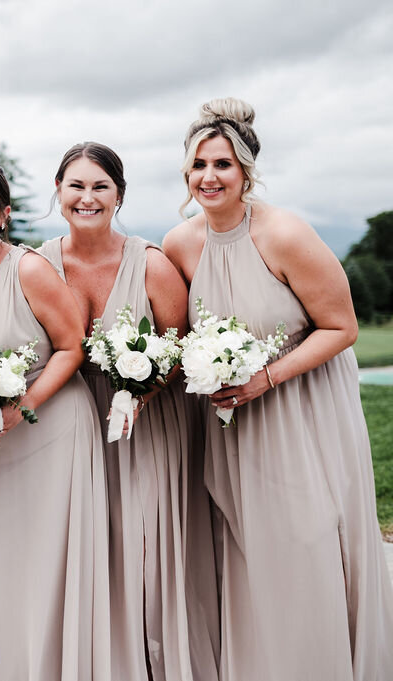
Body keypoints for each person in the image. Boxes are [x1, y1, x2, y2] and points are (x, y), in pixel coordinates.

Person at [162, 97, 393, 680]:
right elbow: (187, 329)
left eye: (222, 165)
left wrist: (265, 377)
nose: (209, 177)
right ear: (185, 173)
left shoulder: (285, 234)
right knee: (247, 549)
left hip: (298, 413)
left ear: (246, 171)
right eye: (198, 166)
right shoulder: (180, 245)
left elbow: (342, 328)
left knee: (307, 540)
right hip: (231, 423)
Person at [39, 143, 219, 681]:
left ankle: (150, 662)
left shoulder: (153, 266)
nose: (87, 197)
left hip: (146, 425)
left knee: (142, 551)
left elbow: (179, 348)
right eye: (76, 185)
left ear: (119, 195)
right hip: (66, 425)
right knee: (80, 549)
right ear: (59, 191)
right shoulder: (38, 263)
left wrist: (137, 392)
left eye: (100, 186)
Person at [0, 158, 111, 681]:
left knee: (46, 562)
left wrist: (24, 406)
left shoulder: (30, 269)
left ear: (5, 214)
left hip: (52, 428)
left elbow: (71, 347)